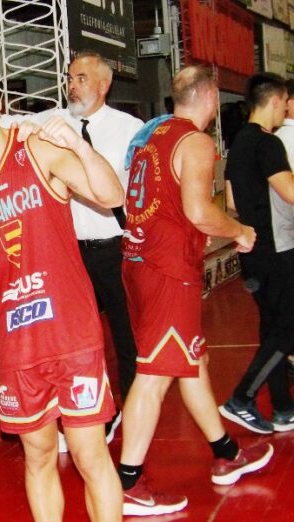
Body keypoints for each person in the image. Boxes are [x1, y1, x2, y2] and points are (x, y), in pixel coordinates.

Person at [0, 57, 124, 521]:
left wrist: (79, 147)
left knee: (89, 453)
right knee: (39, 454)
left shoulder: (37, 149)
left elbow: (112, 196)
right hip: (17, 341)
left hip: (71, 332)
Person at [118, 65, 272, 517]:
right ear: (210, 97)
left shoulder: (151, 136)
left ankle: (226, 453)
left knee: (192, 362)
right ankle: (128, 483)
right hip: (167, 272)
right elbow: (200, 211)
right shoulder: (196, 141)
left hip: (139, 264)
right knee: (154, 375)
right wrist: (240, 231)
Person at [1, 52, 143, 446]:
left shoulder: (130, 130)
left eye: (82, 78)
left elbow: (142, 190)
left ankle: (134, 417)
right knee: (75, 341)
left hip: (115, 249)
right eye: (70, 78)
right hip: (67, 255)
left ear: (103, 85)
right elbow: (0, 123)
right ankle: (87, 416)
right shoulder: (50, 123)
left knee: (127, 337)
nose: (73, 85)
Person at [220, 73, 294, 434]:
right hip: (275, 249)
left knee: (273, 328)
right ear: (276, 100)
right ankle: (242, 396)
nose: (284, 112)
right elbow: (291, 192)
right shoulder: (268, 143)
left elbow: (231, 202)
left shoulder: (238, 143)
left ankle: (283, 407)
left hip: (252, 250)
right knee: (288, 329)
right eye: (284, 105)